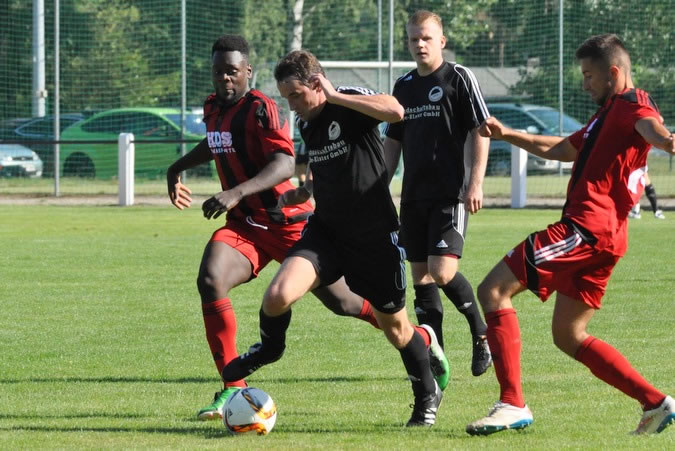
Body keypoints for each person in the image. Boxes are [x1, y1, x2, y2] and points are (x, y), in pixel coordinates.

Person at [221, 49, 449, 427]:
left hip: (374, 236)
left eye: (296, 95)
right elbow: (326, 164)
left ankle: (427, 394)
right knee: (277, 295)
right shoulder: (307, 123)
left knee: (396, 330)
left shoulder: (347, 100)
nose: (292, 105)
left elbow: (396, 111)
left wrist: (336, 96)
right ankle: (271, 348)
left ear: (317, 84)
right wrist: (305, 191)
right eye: (286, 97)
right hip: (326, 231)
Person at [166, 34, 387, 421]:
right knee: (210, 280)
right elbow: (216, 142)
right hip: (245, 226)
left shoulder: (261, 108)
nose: (224, 78)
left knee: (344, 302)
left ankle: (415, 339)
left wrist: (235, 192)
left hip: (286, 223)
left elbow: (284, 164)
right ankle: (233, 388)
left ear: (247, 71)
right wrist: (176, 167)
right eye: (218, 72)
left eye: (232, 71)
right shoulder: (213, 107)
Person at [465, 34, 674, 436]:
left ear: (614, 73)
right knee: (568, 334)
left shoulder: (633, 105)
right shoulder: (606, 114)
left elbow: (651, 127)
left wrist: (666, 141)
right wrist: (507, 133)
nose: (585, 84)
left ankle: (512, 404)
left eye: (589, 75)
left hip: (585, 229)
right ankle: (655, 402)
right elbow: (563, 148)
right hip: (606, 237)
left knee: (493, 289)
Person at [383, 10, 492, 378]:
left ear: (441, 41)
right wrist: (379, 187)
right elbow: (392, 142)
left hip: (450, 194)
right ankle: (436, 358)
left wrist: (475, 183)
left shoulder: (458, 78)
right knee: (421, 279)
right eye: (414, 39)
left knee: (441, 271)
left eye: (427, 38)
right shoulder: (403, 86)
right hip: (413, 197)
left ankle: (481, 332)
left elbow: (481, 130)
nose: (420, 44)